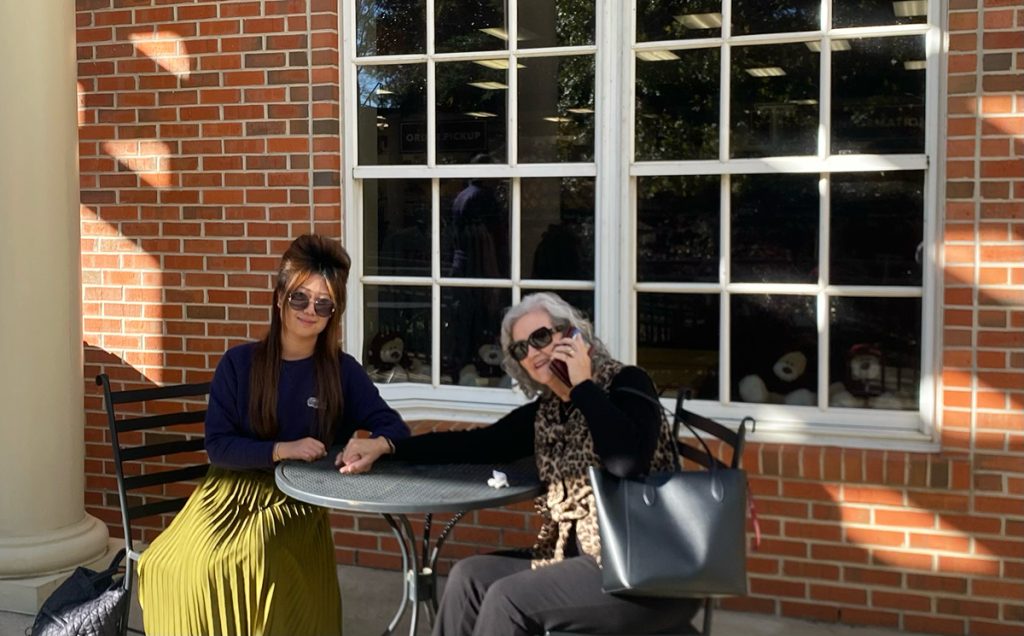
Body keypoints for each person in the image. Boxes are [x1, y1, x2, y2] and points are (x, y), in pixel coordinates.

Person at [339, 292, 699, 635]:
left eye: (541, 336)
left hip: (645, 574)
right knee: (469, 578)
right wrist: (387, 446)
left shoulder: (626, 384)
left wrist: (583, 386)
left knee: (507, 600)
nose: (534, 352)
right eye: (521, 347)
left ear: (571, 334)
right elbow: (475, 444)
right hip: (574, 560)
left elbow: (628, 462)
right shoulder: (546, 413)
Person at [138, 234, 410, 636]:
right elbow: (218, 447)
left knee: (251, 557)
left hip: (296, 500)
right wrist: (283, 448)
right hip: (225, 493)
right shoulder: (239, 363)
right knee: (169, 565)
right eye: (300, 297)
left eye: (323, 303)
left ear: (334, 311)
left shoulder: (341, 371)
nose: (310, 310)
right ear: (280, 296)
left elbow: (393, 425)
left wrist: (376, 443)